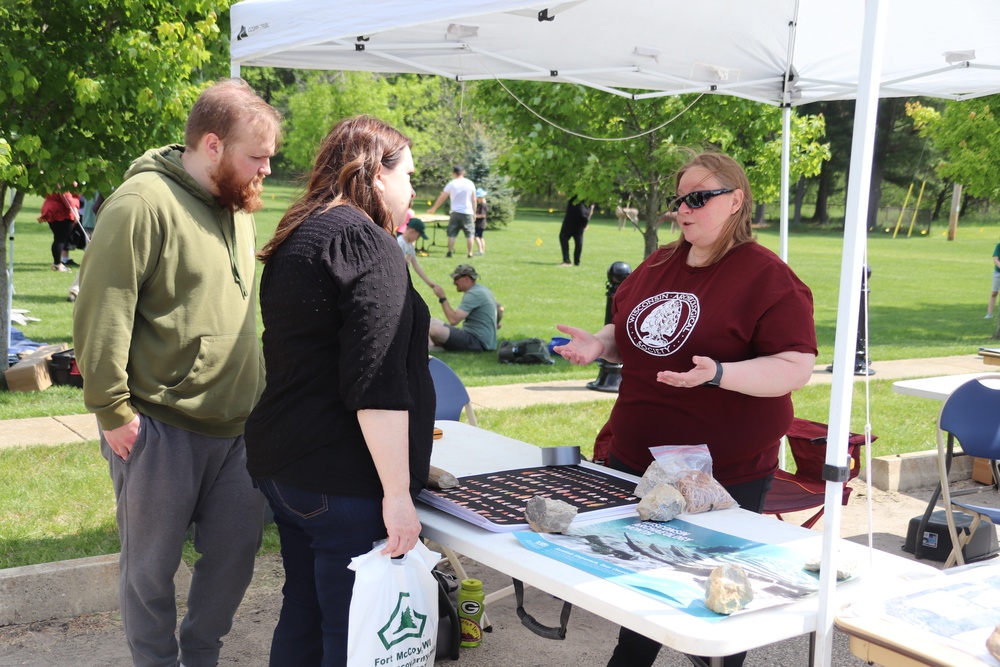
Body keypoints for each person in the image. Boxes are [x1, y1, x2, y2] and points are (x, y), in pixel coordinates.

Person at [554, 152, 817, 667]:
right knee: (643, 580)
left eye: (698, 197)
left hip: (723, 471)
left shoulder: (766, 276)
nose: (684, 209)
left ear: (735, 200)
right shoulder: (658, 262)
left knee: (717, 589)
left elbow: (794, 365)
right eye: (680, 199)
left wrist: (721, 373)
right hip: (639, 457)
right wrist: (600, 344)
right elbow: (632, 332)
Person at [72, 78, 281, 667]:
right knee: (149, 570)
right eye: (257, 157)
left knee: (236, 558)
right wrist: (112, 411)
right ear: (212, 145)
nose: (266, 169)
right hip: (159, 428)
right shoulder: (141, 204)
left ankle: (202, 654)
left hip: (239, 429)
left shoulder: (237, 203)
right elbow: (100, 311)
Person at [244, 115, 434, 667]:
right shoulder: (365, 242)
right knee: (352, 632)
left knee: (304, 608)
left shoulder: (303, 231)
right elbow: (375, 382)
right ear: (378, 174)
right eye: (410, 176)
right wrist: (398, 497)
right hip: (338, 476)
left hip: (288, 463)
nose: (415, 191)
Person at [429, 264, 498, 352]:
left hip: (478, 342)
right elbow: (499, 308)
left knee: (434, 329)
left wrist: (442, 298)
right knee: (430, 321)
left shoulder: (474, 294)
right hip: (478, 338)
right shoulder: (482, 289)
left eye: (456, 279)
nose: (454, 283)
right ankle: (432, 347)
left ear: (467, 278)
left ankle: (431, 348)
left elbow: (453, 320)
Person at [427, 165, 477, 258]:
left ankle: (450, 251)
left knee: (452, 233)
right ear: (463, 172)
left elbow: (443, 197)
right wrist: (474, 212)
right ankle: (470, 253)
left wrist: (434, 208)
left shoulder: (452, 184)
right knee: (469, 233)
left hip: (455, 212)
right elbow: (474, 199)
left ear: (454, 173)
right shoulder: (470, 183)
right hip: (467, 212)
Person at [37, 189, 80, 271]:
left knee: (59, 238)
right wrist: (74, 210)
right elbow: (65, 194)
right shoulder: (62, 177)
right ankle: (57, 264)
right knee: (60, 239)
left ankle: (57, 263)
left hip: (53, 208)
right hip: (61, 210)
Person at [397, 217, 437, 288]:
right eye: (418, 236)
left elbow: (416, 266)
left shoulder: (410, 245)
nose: (417, 239)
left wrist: (429, 283)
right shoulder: (399, 243)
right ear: (412, 231)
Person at [558, 196, 594, 267]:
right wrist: (587, 221)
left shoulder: (573, 189)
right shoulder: (591, 192)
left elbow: (561, 193)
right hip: (584, 215)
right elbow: (592, 207)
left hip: (573, 214)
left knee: (563, 236)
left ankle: (566, 261)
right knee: (578, 238)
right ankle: (577, 261)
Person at [987, 239, 1000, 318]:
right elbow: (995, 260)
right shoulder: (999, 246)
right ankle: (989, 314)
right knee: (994, 293)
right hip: (998, 273)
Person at [474, 187, 488, 255]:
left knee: (476, 237)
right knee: (481, 237)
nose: (477, 199)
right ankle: (482, 250)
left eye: (477, 198)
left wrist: (475, 216)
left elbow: (483, 215)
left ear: (481, 197)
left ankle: (480, 251)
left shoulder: (483, 205)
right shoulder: (483, 205)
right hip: (481, 224)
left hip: (480, 224)